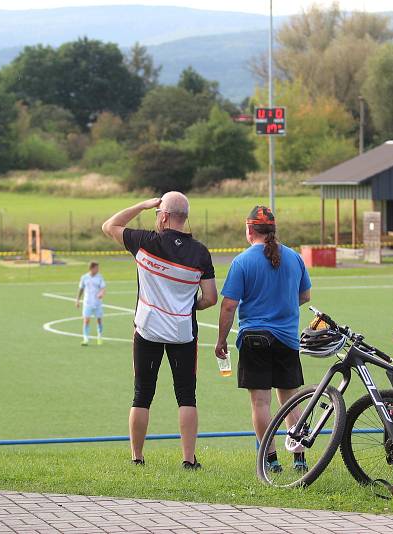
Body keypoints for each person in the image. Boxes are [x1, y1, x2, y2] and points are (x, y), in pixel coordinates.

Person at [101, 192, 218, 469]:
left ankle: (137, 457)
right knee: (186, 395)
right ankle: (189, 460)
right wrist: (191, 308)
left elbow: (109, 226)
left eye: (157, 213)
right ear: (184, 217)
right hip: (182, 332)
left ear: (163, 216)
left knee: (142, 394)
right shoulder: (200, 252)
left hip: (147, 330)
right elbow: (211, 298)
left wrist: (142, 205)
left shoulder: (145, 243)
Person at [215, 206, 312, 473]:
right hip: (287, 339)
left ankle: (271, 460)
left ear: (249, 230)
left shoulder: (243, 261)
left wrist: (221, 340)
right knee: (291, 400)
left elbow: (228, 306)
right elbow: (305, 296)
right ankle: (299, 459)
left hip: (254, 339)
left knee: (261, 403)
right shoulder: (294, 258)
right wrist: (283, 305)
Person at [76, 261, 106, 346]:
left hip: (97, 303)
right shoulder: (84, 277)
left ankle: (99, 336)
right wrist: (77, 300)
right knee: (86, 320)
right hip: (87, 303)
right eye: (97, 268)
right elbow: (81, 289)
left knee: (99, 320)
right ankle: (86, 339)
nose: (98, 269)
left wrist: (101, 293)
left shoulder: (100, 277)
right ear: (92, 268)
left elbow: (103, 288)